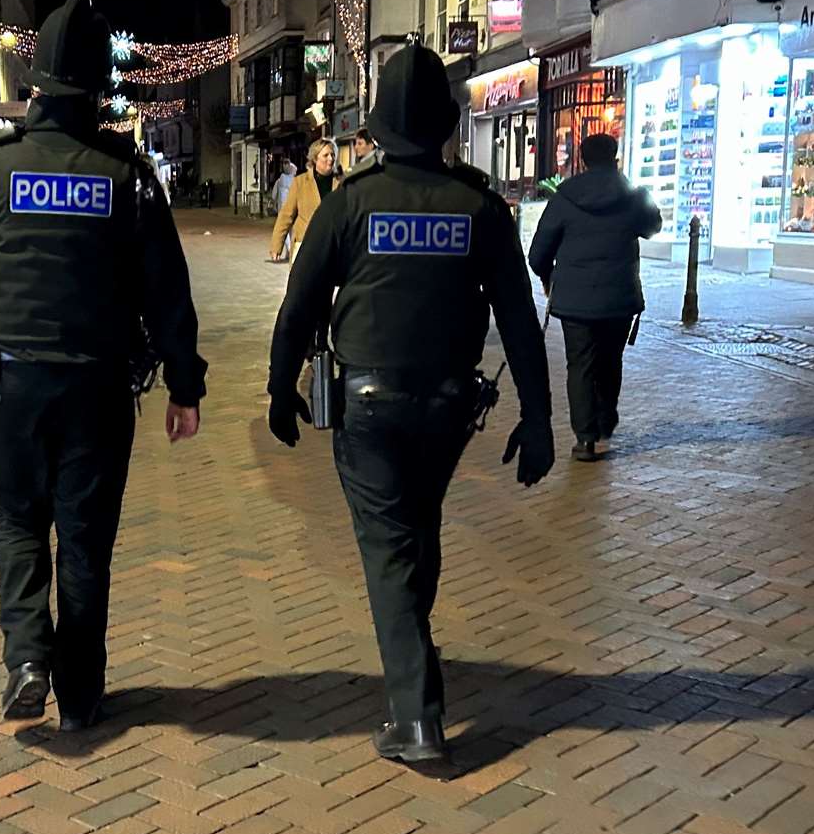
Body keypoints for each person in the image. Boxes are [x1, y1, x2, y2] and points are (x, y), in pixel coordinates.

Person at [0, 0, 207, 733]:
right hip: (98, 389)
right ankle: (79, 694)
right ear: (100, 90)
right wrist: (183, 383)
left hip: (8, 384)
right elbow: (166, 286)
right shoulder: (128, 176)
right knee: (84, 537)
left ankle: (26, 661)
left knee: (15, 517)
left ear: (36, 79)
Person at [267, 45, 555, 764]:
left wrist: (280, 388)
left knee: (391, 551)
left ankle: (417, 717)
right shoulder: (481, 206)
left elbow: (300, 306)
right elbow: (520, 318)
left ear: (377, 126)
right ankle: (414, 668)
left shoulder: (350, 203)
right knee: (416, 531)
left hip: (367, 404)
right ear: (446, 123)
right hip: (449, 407)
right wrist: (541, 416)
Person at [528, 132, 662, 463]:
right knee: (610, 360)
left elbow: (538, 252)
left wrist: (548, 278)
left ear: (583, 160)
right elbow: (653, 226)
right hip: (619, 297)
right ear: (615, 157)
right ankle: (605, 419)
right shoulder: (631, 196)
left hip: (575, 301)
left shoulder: (566, 197)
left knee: (581, 365)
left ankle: (585, 438)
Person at [269, 138, 339, 262]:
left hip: (332, 247)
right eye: (326, 155)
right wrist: (276, 245)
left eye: (332, 155)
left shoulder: (340, 184)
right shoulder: (300, 182)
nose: (331, 159)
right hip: (305, 246)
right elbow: (286, 215)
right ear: (315, 158)